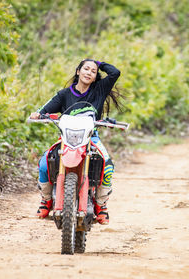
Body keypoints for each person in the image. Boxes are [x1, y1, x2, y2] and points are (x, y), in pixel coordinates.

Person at [30, 59, 122, 225]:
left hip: (91, 137)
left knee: (107, 166)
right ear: (78, 71)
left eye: (93, 71)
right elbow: (44, 110)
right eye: (86, 69)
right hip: (66, 138)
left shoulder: (99, 90)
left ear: (95, 77)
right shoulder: (64, 94)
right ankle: (46, 200)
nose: (89, 73)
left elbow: (115, 73)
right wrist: (38, 114)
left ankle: (101, 205)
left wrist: (98, 63)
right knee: (44, 163)